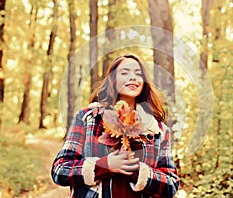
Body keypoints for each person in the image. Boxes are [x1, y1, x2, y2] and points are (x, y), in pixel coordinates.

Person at [51, 54, 179, 198]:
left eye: (138, 73)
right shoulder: (87, 119)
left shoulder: (157, 129)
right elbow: (60, 170)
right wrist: (103, 166)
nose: (133, 77)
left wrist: (137, 171)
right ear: (112, 80)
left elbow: (171, 184)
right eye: (125, 72)